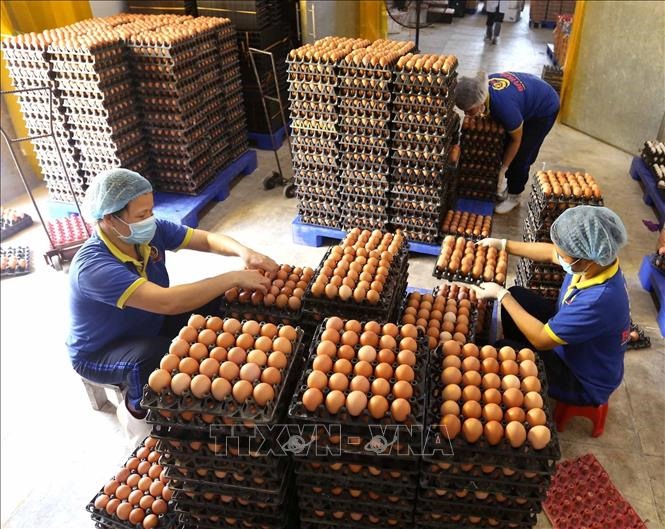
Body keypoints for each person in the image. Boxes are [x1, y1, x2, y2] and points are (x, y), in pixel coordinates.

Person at [66, 168, 277, 430]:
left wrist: (244, 252)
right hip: (102, 349)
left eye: (151, 211)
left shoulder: (146, 232)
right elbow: (168, 302)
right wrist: (232, 277)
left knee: (215, 301)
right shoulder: (94, 268)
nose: (150, 220)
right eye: (142, 215)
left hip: (147, 320)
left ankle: (214, 373)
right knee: (151, 358)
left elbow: (208, 239)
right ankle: (136, 415)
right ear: (109, 219)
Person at [472, 206, 630, 406]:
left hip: (580, 377)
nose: (559, 257)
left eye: (564, 256)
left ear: (587, 259)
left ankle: (522, 369)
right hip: (573, 347)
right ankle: (522, 352)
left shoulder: (598, 300)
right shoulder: (597, 265)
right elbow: (550, 253)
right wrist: (504, 245)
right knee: (519, 296)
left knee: (502, 352)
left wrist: (502, 295)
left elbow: (541, 339)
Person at [455, 71, 560, 214]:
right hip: (529, 89)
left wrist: (503, 168)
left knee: (522, 154)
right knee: (503, 141)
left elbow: (516, 140)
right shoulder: (483, 88)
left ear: (479, 102)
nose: (467, 115)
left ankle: (514, 196)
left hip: (545, 106)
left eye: (469, 110)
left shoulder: (505, 109)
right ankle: (504, 186)